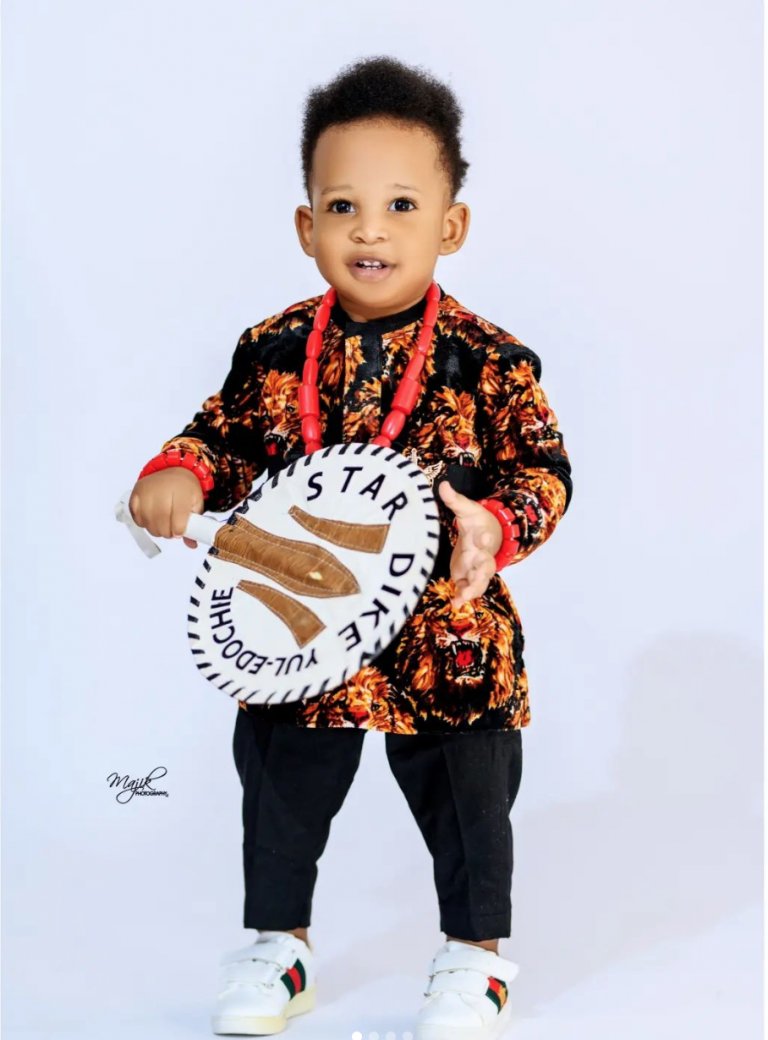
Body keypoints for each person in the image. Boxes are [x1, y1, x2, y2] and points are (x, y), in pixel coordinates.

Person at [129, 54, 573, 1039]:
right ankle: (278, 946)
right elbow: (224, 438)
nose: (370, 229)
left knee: (469, 796)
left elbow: (545, 472)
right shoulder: (275, 347)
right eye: (343, 206)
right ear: (306, 226)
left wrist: (497, 526)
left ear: (451, 225)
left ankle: (476, 955)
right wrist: (182, 472)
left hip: (446, 624)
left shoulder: (490, 361)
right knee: (279, 791)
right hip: (297, 613)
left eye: (402, 205)